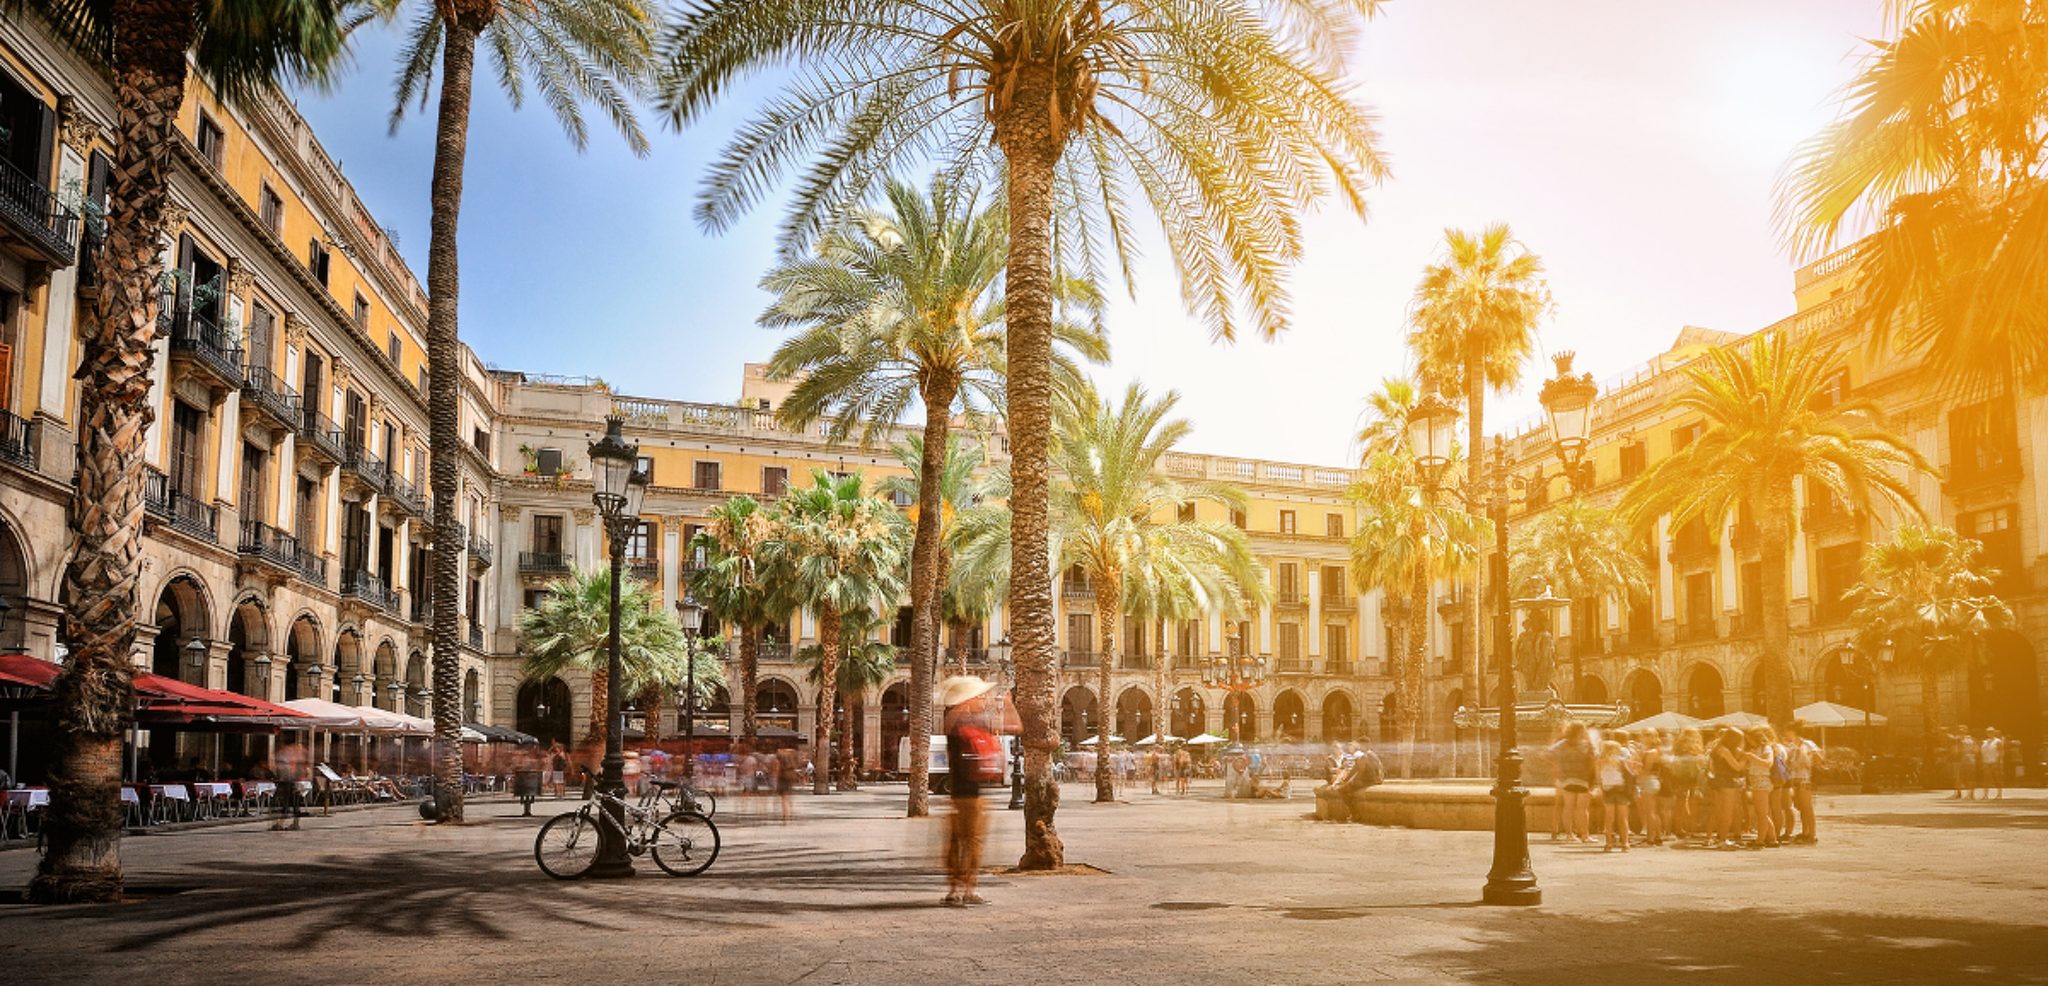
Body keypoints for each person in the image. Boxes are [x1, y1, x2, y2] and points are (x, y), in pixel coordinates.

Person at [940, 675, 1016, 907]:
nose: (982, 698)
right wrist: (1008, 705)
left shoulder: (966, 720)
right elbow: (1015, 725)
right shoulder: (956, 720)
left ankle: (961, 889)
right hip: (966, 796)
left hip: (967, 795)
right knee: (967, 843)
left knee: (964, 843)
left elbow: (1014, 728)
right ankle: (962, 890)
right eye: (978, 695)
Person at [1548, 722, 1595, 843]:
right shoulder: (1587, 744)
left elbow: (1549, 754)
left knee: (1568, 807)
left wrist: (1562, 763)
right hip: (1583, 778)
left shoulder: (1562, 744)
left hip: (1566, 779)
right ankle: (1585, 835)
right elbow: (1597, 756)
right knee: (1582, 809)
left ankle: (1569, 834)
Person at [1739, 726, 1781, 847]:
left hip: (1762, 781)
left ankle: (1760, 840)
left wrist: (1752, 757)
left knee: (1762, 813)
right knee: (1761, 812)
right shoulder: (1756, 749)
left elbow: (1768, 763)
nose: (1749, 742)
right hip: (1757, 782)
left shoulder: (1766, 748)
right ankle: (1772, 839)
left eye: (1750, 739)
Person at [1781, 722, 1821, 844]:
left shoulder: (1807, 744)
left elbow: (1819, 758)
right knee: (1801, 806)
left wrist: (1805, 764)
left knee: (1807, 806)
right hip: (1795, 778)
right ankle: (1805, 831)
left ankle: (1812, 833)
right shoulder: (1792, 746)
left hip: (1805, 778)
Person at [1707, 727, 1747, 849]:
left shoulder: (1717, 748)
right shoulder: (1725, 751)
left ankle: (1720, 837)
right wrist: (1745, 759)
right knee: (1727, 812)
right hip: (1728, 782)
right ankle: (1723, 839)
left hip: (1718, 781)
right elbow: (1737, 767)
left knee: (1719, 810)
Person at [1595, 740, 1633, 852]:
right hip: (1620, 788)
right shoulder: (1620, 761)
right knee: (1623, 818)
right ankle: (1625, 843)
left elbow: (1598, 776)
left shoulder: (1600, 762)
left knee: (1609, 818)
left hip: (1607, 789)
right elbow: (1628, 772)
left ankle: (1608, 843)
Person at [272, 738, 307, 831]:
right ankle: (291, 823)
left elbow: (287, 768)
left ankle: (287, 823)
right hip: (292, 781)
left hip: (291, 781)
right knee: (292, 803)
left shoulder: (291, 756)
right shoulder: (295, 756)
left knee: (290, 803)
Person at [1980, 728, 2004, 800]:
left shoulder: (1998, 741)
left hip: (1995, 762)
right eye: (1988, 732)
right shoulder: (1985, 742)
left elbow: (2001, 752)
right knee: (1986, 779)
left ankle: (1999, 794)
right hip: (1986, 761)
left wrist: (1999, 762)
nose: (1989, 733)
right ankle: (1985, 794)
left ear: (1994, 733)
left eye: (1991, 732)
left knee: (1997, 778)